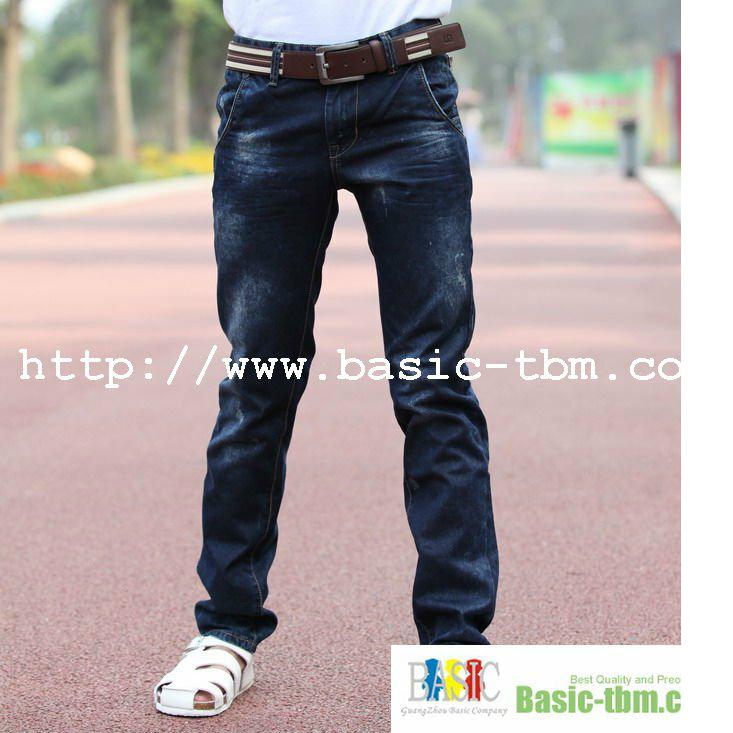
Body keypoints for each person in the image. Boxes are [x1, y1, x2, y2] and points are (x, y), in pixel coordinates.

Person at [154, 0, 499, 717]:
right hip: (266, 94)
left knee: (433, 383)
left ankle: (455, 651)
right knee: (258, 380)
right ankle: (226, 629)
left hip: (409, 90)